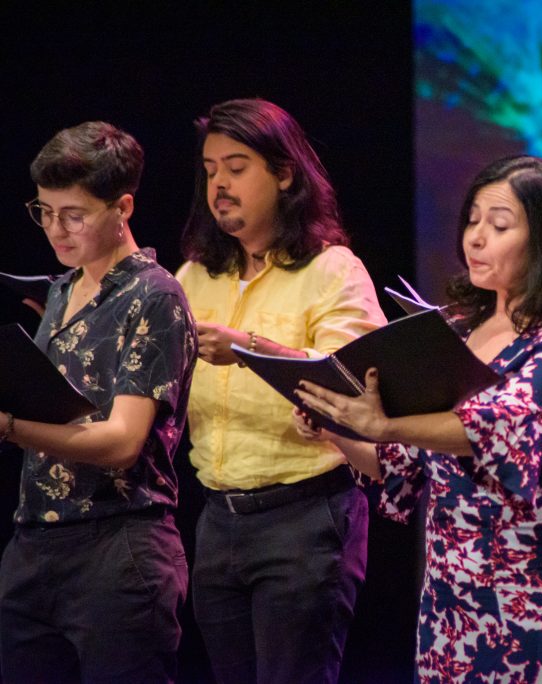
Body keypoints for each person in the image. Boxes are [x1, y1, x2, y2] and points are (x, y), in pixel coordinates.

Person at [293, 155, 542, 682]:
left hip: (538, 586)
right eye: (472, 220)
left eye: (500, 224)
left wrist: (386, 425)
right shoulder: (460, 331)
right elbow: (398, 463)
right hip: (453, 593)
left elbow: (494, 427)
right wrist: (333, 425)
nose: (477, 237)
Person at [175, 98, 387, 683]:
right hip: (218, 519)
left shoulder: (333, 270)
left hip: (306, 517)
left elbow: (353, 387)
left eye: (236, 167)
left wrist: (251, 348)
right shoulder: (193, 276)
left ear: (285, 173)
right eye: (211, 169)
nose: (219, 184)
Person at [0, 121, 197, 682]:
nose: (56, 229)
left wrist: (11, 427)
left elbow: (121, 442)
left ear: (123, 208)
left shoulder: (154, 295)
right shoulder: (62, 289)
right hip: (34, 540)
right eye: (44, 211)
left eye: (74, 215)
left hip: (118, 547)